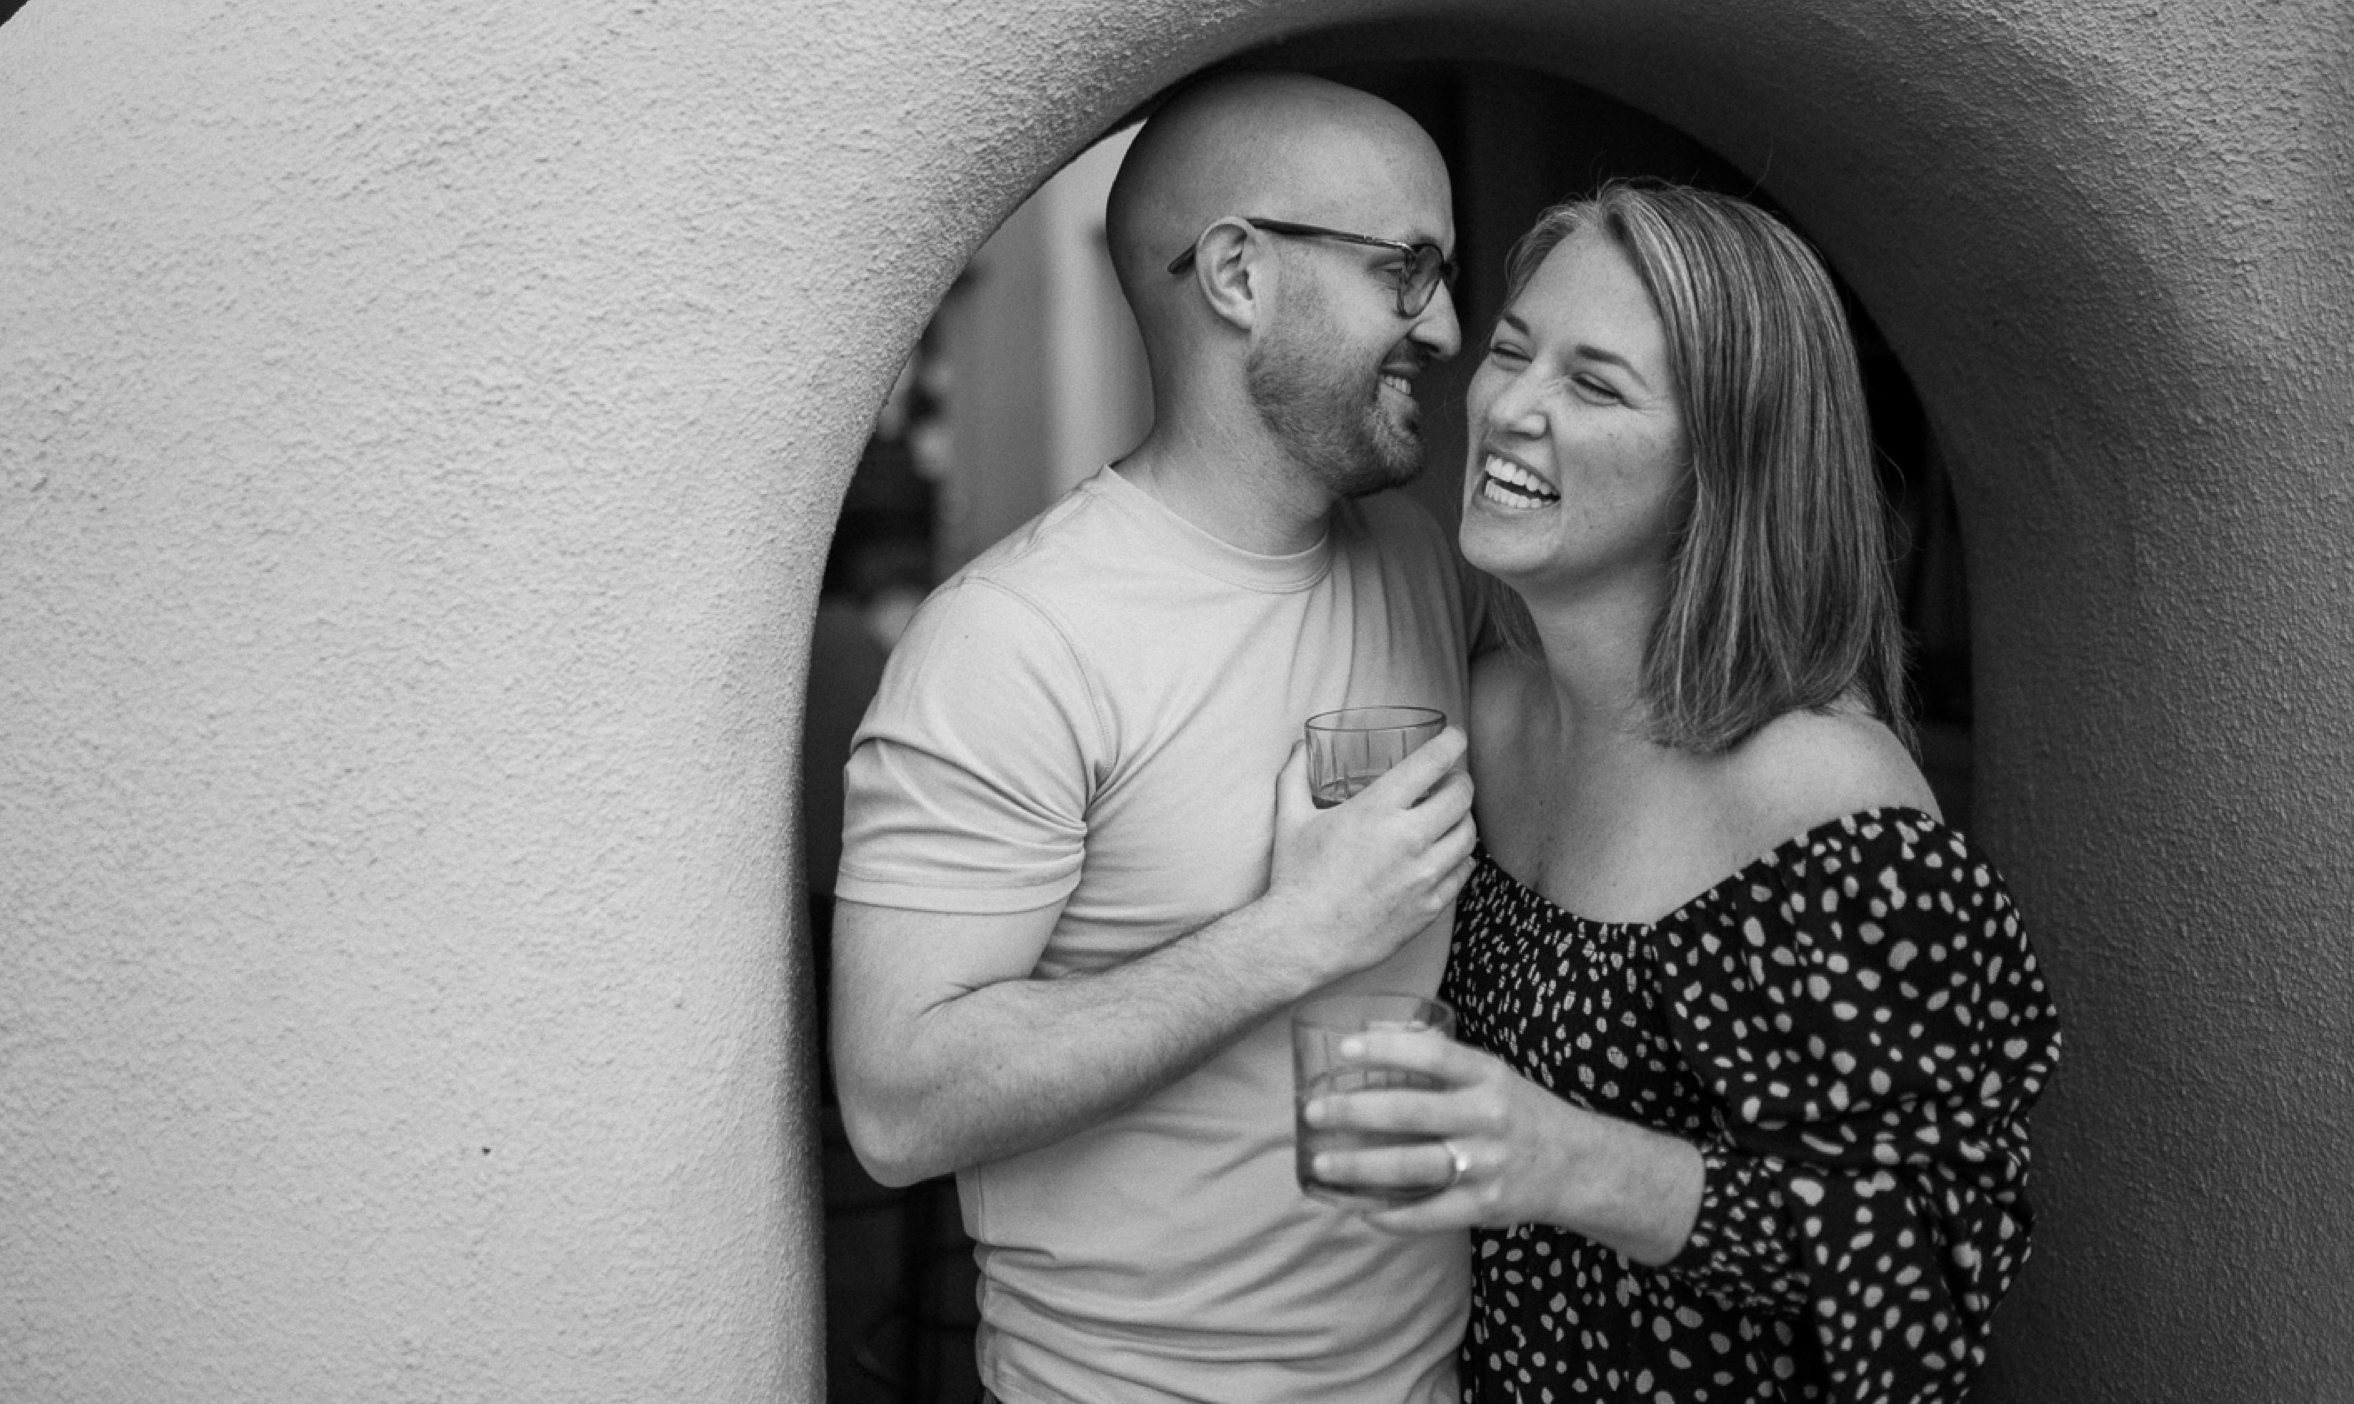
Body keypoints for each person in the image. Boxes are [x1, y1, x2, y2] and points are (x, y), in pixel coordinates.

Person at [1306, 181, 2062, 1402]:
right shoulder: (1487, 710)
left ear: (1727, 463)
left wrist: (1571, 1161)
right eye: (1512, 350)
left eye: (1593, 384)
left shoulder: (1825, 799)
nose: (1509, 408)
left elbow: (1934, 1257)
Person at [831, 70, 1485, 1404]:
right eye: (1410, 270)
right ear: (1239, 272)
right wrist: (1287, 936)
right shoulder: (1013, 641)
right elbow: (897, 1106)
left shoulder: (1425, 561)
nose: (1453, 326)